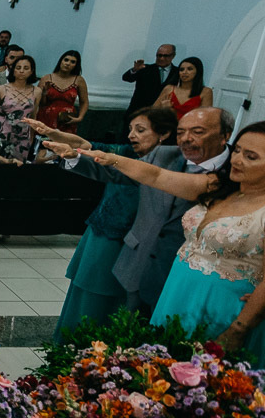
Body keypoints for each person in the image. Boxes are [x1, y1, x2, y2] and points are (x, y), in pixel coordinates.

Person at [74, 120, 265, 369]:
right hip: (178, 293)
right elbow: (157, 176)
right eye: (238, 151)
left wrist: (238, 330)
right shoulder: (222, 186)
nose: (237, 160)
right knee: (159, 372)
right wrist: (110, 158)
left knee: (201, 382)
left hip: (224, 308)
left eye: (251, 157)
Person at [54, 106, 232, 316]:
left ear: (225, 135)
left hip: (190, 276)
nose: (186, 139)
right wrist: (73, 157)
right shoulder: (164, 155)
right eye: (181, 132)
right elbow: (118, 173)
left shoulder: (236, 172)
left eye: (197, 132)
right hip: (140, 265)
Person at [29, 108, 178, 339]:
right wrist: (54, 134)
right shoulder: (127, 152)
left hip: (134, 244)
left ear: (164, 134)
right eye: (131, 129)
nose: (132, 135)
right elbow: (86, 146)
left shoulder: (171, 165)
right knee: (87, 300)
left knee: (117, 305)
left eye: (140, 130)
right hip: (104, 234)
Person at [0, 54, 38, 162]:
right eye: (18, 67)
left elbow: (33, 116)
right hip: (2, 132)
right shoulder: (1, 89)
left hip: (23, 136)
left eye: (26, 68)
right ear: (13, 70)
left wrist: (31, 138)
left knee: (17, 166)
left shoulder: (37, 92)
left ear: (32, 71)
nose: (21, 71)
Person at [36, 50, 88, 134]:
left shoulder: (79, 80)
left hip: (67, 120)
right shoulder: (47, 78)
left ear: (76, 65)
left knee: (64, 141)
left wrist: (80, 118)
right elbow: (39, 103)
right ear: (61, 61)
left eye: (73, 62)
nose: (68, 63)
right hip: (46, 118)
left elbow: (84, 101)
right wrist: (44, 93)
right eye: (66, 60)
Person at [123, 43, 178, 116]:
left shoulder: (178, 73)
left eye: (166, 56)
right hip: (138, 112)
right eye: (159, 55)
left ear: (173, 56)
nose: (161, 58)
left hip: (163, 115)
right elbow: (127, 78)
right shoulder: (145, 68)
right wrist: (135, 70)